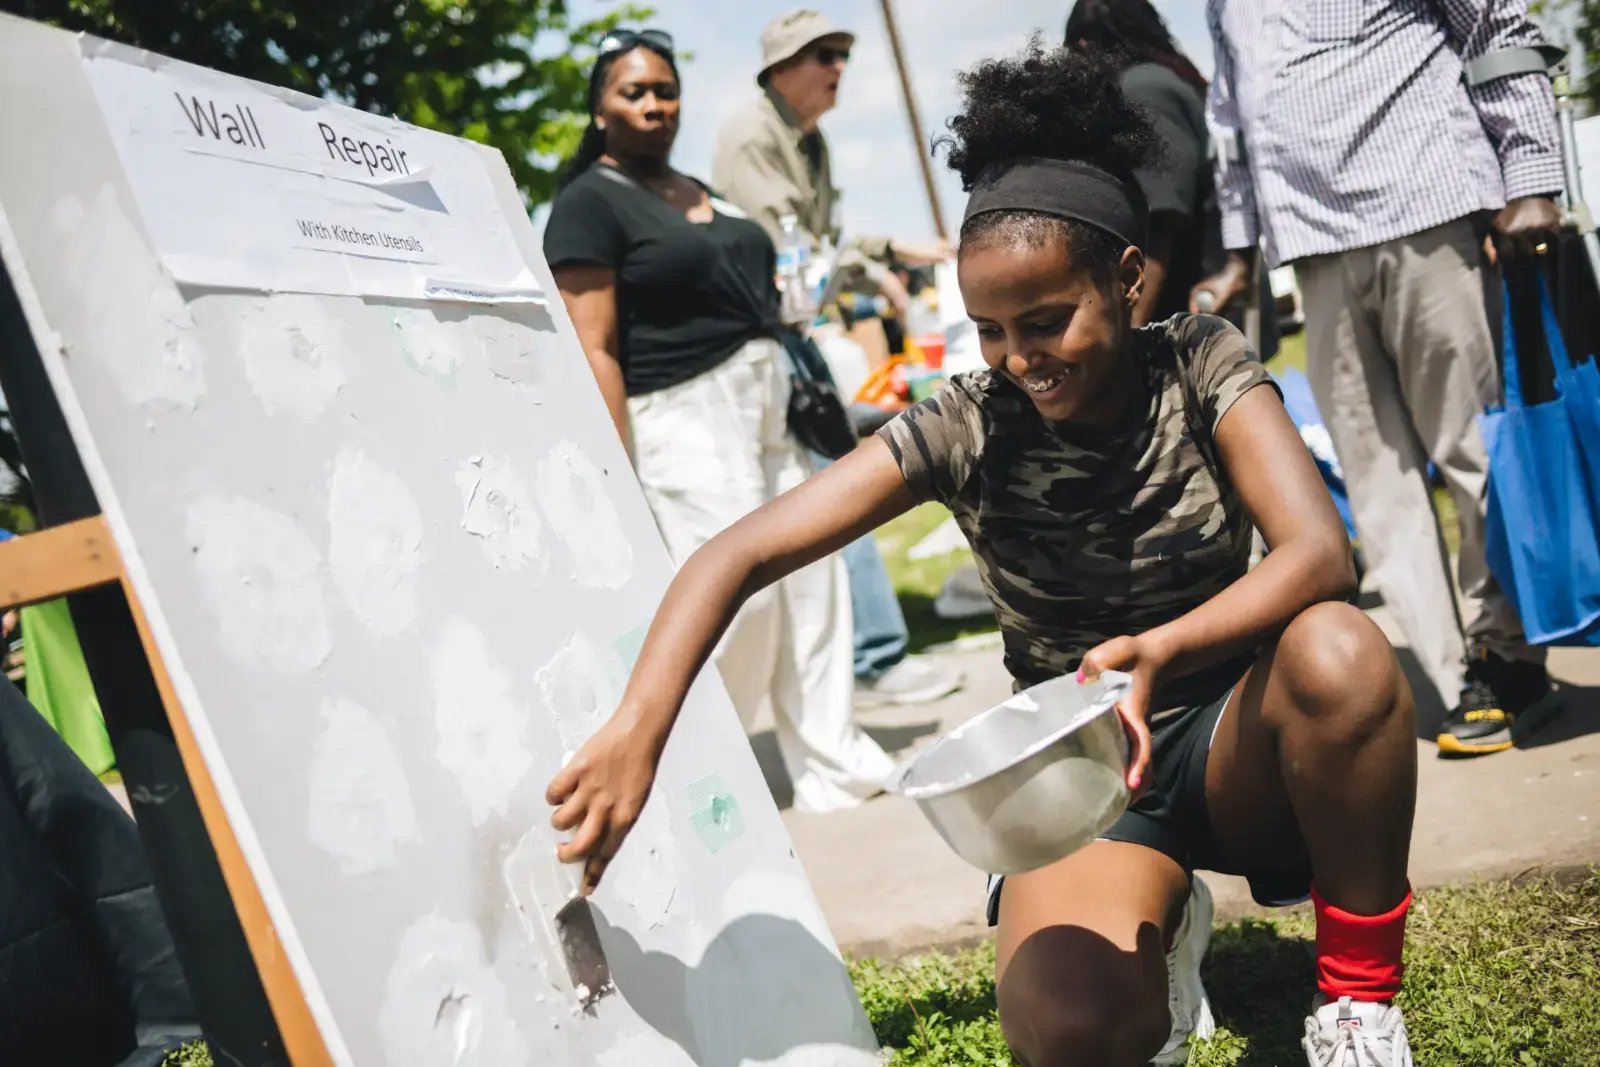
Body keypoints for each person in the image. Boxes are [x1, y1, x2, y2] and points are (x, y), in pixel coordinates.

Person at [549, 41, 1421, 1067]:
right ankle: (1162, 914)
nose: (1018, 359)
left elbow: (1317, 552)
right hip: (1085, 779)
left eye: (1046, 320)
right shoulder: (964, 423)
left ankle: (1358, 1004)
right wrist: (638, 728)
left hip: (1239, 746)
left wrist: (1157, 648)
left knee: (1340, 651)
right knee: (1073, 1029)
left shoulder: (1198, 357)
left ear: (1129, 279)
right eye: (989, 329)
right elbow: (735, 553)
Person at [1195, 0, 1562, 756]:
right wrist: (1239, 248)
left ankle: (1511, 656)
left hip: (1426, 206)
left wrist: (1532, 175)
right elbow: (1231, 114)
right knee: (1375, 486)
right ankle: (1461, 678)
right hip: (1313, 251)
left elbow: (1494, 22)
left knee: (1473, 455)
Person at [542, 29, 893, 814]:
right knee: (740, 598)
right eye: (634, 91)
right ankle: (691, 772)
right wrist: (614, 465)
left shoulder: (699, 188)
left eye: (665, 90)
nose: (655, 104)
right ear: (599, 109)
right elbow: (594, 347)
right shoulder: (586, 206)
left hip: (770, 407)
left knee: (813, 580)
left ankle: (834, 764)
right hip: (684, 419)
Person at [712, 7, 963, 707]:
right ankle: (872, 657)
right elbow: (795, 260)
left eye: (841, 53)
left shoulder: (806, 142)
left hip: (787, 337)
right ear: (780, 68)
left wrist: (872, 261)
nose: (838, 68)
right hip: (760, 345)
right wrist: (883, 253)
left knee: (827, 485)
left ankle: (848, 661)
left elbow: (814, 258)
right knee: (838, 485)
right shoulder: (752, 137)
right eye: (822, 53)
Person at [1063, 0, 1278, 361]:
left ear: (1085, 46)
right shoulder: (1167, 81)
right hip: (1207, 318)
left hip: (1197, 324)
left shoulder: (1144, 91)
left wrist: (1126, 342)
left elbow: (1162, 220)